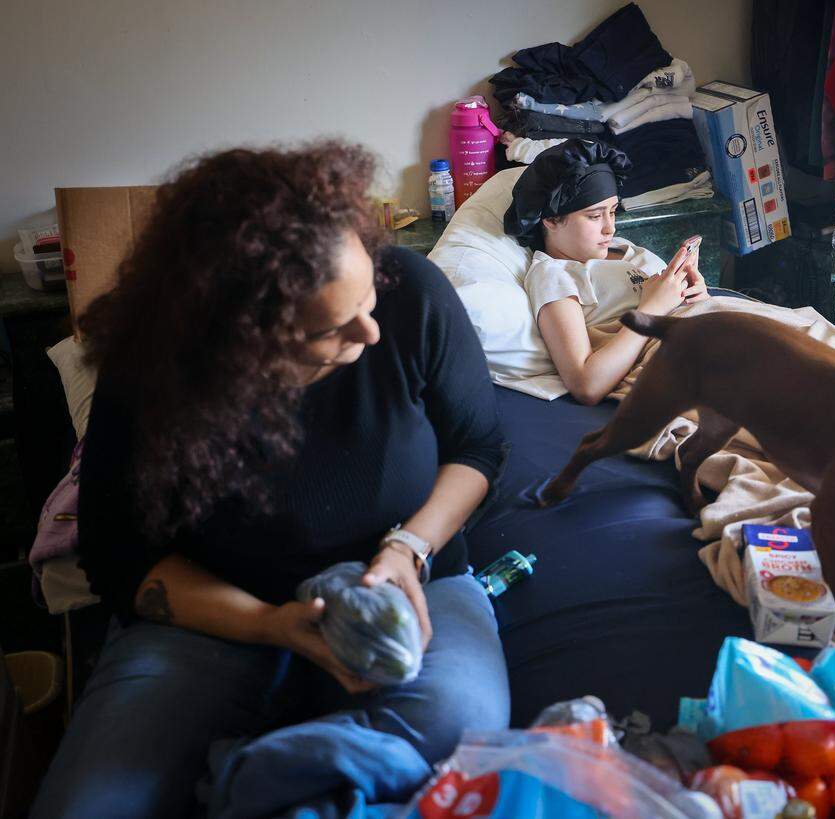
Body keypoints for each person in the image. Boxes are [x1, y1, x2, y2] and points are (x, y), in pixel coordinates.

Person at [31, 141, 510, 818]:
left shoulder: (413, 292)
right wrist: (274, 625)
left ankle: (252, 782)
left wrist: (410, 546)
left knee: (457, 725)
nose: (371, 333)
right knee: (88, 804)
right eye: (331, 329)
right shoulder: (152, 374)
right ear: (244, 343)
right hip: (219, 613)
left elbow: (479, 447)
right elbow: (120, 558)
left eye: (368, 299)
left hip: (406, 584)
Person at [504, 138, 709, 405]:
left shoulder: (625, 248)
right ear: (552, 220)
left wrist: (697, 295)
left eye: (612, 212)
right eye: (594, 216)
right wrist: (652, 309)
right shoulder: (554, 274)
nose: (609, 228)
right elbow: (586, 385)